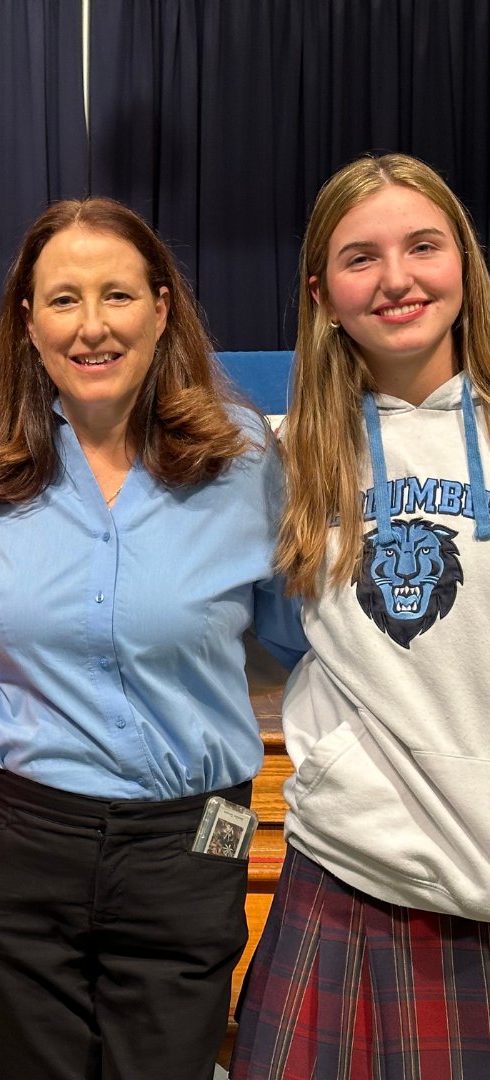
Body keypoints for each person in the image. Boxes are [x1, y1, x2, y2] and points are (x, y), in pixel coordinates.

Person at [0, 196, 307, 1080]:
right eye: (63, 299)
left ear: (161, 308)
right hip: (17, 840)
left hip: (189, 842)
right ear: (27, 323)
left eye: (116, 295)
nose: (91, 326)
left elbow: (295, 642)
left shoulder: (244, 461)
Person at [230, 153, 490, 1078]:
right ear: (320, 290)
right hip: (350, 871)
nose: (397, 280)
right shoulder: (287, 456)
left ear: (463, 257)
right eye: (360, 257)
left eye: (423, 246)